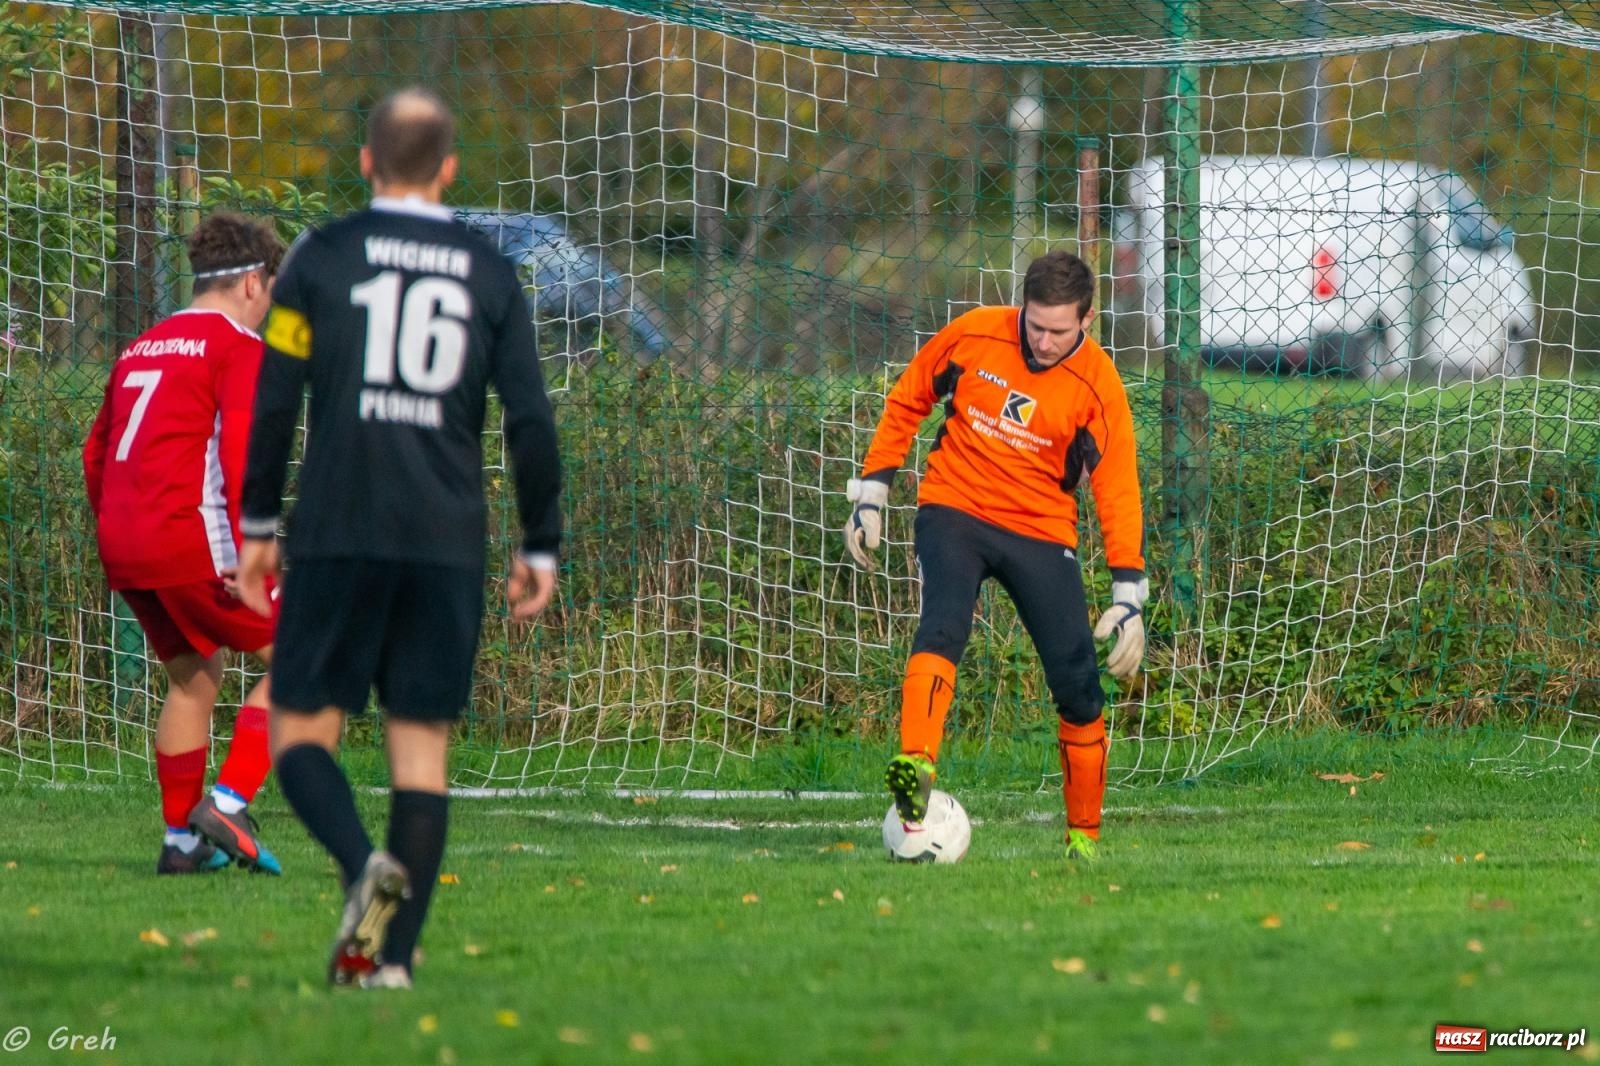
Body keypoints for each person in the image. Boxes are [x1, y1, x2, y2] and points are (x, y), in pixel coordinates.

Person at [235, 86, 563, 990]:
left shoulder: (320, 258)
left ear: (369, 162)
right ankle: (392, 963)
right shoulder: (489, 269)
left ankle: (358, 867)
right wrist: (542, 544)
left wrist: (258, 522)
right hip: (446, 539)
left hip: (340, 527)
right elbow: (530, 420)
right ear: (449, 167)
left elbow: (275, 398)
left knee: (300, 729)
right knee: (421, 754)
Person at [843, 250, 1147, 862]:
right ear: (1022, 308)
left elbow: (1116, 488)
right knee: (942, 623)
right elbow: (908, 397)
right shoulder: (976, 332)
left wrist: (1128, 594)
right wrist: (871, 493)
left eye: (1058, 330)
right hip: (954, 507)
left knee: (1079, 684)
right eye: (1034, 324)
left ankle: (1083, 840)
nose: (1042, 339)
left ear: (1086, 321)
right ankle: (915, 772)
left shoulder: (1098, 386)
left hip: (1040, 531)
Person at [82, 212, 288, 876]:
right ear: (254, 283)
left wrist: (119, 528)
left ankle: (180, 845)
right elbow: (241, 458)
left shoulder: (142, 346)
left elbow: (96, 454)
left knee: (194, 679)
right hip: (192, 538)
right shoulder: (236, 347)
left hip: (128, 541)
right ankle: (226, 805)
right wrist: (248, 552)